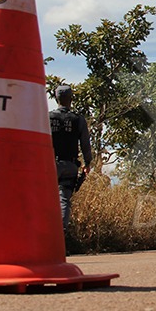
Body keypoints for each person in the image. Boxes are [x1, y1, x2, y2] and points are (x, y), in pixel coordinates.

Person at [49, 85, 92, 234]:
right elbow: (85, 143)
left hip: (49, 166)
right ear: (71, 99)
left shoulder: (47, 117)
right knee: (64, 200)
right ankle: (60, 238)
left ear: (56, 99)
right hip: (70, 166)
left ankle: (43, 238)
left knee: (45, 201)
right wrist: (87, 163)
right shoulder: (78, 119)